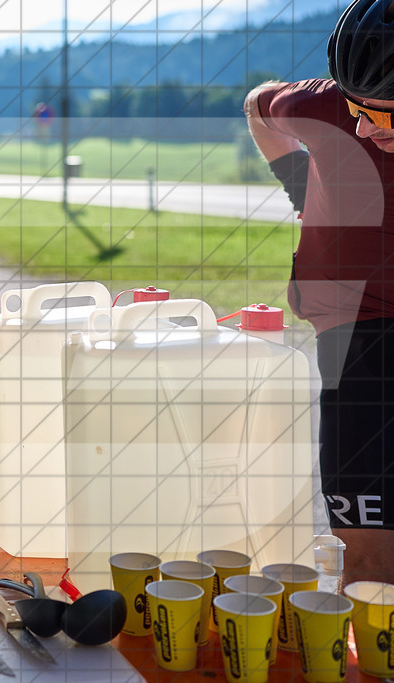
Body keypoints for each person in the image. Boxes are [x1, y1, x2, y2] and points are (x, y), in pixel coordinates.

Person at [244, 0, 394, 588]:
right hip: (354, 334)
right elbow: (259, 105)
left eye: (386, 118)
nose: (362, 128)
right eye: (357, 110)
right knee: (368, 562)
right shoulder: (321, 105)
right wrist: (300, 187)